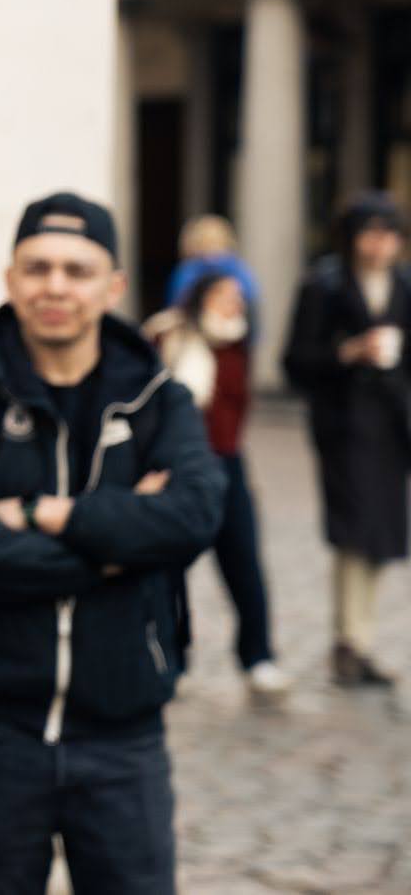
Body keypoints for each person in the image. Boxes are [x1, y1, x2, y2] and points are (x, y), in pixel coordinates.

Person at [0, 192, 224, 894]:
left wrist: (40, 511)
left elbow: (192, 518)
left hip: (124, 738)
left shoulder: (159, 402)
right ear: (10, 279)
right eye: (38, 267)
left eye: (77, 270)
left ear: (113, 286)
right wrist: (119, 546)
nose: (55, 286)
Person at [144, 272, 292, 700]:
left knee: (243, 560)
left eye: (237, 297)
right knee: (169, 565)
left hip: (226, 463)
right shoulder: (167, 336)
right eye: (222, 295)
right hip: (176, 465)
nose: (232, 304)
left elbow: (237, 407)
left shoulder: (238, 344)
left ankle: (258, 655)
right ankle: (171, 657)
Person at [283, 192, 411, 687]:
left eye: (389, 235)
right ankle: (350, 640)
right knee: (355, 530)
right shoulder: (325, 285)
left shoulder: (402, 286)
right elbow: (296, 362)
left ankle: (359, 639)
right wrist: (349, 353)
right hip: (344, 425)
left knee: (381, 533)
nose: (380, 245)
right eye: (371, 234)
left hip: (391, 426)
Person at [165, 212, 261, 314]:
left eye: (215, 243)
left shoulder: (237, 270)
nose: (211, 254)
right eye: (206, 243)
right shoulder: (188, 272)